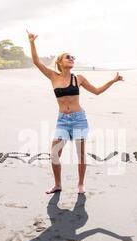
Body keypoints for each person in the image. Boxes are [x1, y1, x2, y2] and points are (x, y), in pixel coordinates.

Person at [26, 29, 124, 194]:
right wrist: (32, 42)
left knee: (81, 154)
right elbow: (36, 61)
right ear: (60, 61)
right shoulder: (53, 76)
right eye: (68, 57)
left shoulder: (78, 78)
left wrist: (112, 81)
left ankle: (80, 184)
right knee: (54, 153)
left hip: (79, 119)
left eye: (73, 57)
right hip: (62, 120)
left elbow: (97, 91)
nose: (72, 59)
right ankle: (57, 184)